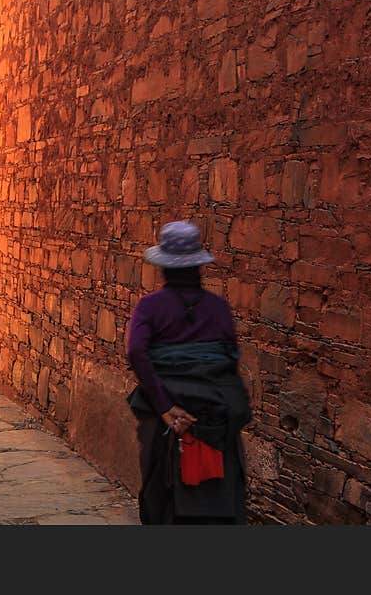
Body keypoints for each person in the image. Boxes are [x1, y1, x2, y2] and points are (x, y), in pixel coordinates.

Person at [126, 221, 251, 524]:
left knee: (160, 486)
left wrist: (166, 406)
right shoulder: (217, 308)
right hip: (213, 413)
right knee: (221, 486)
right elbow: (229, 357)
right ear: (198, 266)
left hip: (166, 412)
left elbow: (136, 352)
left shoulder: (151, 307)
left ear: (164, 267)